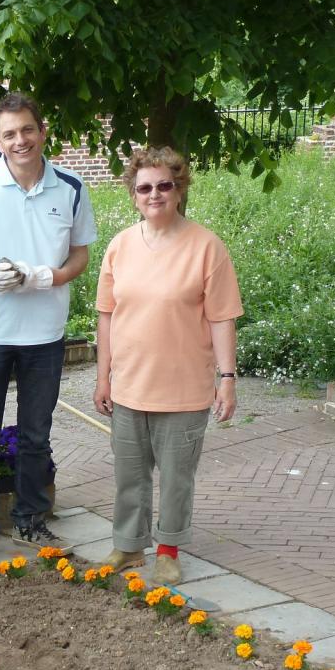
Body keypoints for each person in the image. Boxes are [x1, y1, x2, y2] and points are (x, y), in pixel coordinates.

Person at [0, 93, 96, 569]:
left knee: (36, 434)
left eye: (27, 130)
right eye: (9, 134)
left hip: (44, 332)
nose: (20, 140)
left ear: (42, 131)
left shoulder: (69, 186)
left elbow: (81, 254)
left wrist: (51, 277)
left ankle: (31, 520)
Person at [93, 146, 243, 584]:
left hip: (183, 389)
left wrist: (227, 379)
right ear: (133, 195)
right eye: (144, 187)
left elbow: (222, 318)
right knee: (129, 474)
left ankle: (169, 548)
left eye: (164, 185)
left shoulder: (207, 247)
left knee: (177, 477)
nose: (154, 194)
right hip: (129, 387)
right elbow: (106, 315)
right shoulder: (120, 246)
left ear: (179, 189)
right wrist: (103, 377)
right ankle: (127, 546)